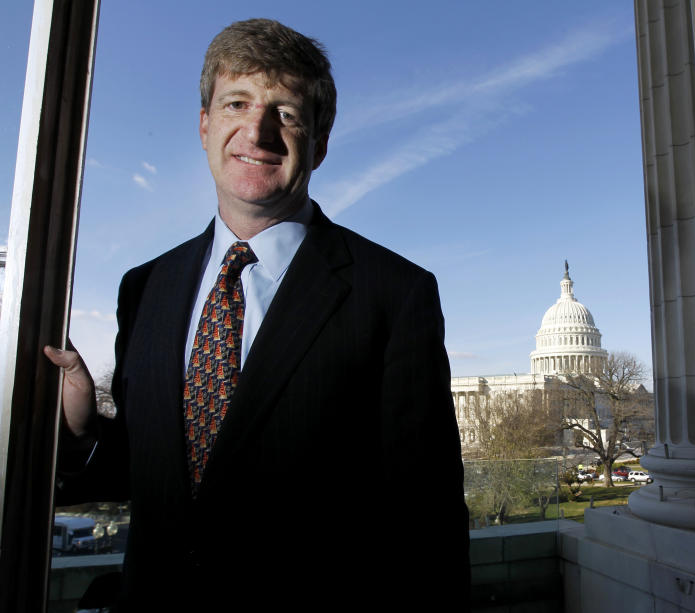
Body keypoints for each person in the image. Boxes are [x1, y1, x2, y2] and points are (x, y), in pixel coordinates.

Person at [45, 18, 469, 611]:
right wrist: (87, 427)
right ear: (204, 125)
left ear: (319, 143)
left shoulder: (395, 293)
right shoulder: (144, 287)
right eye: (236, 103)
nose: (259, 130)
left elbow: (428, 517)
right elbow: (159, 474)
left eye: (287, 113)